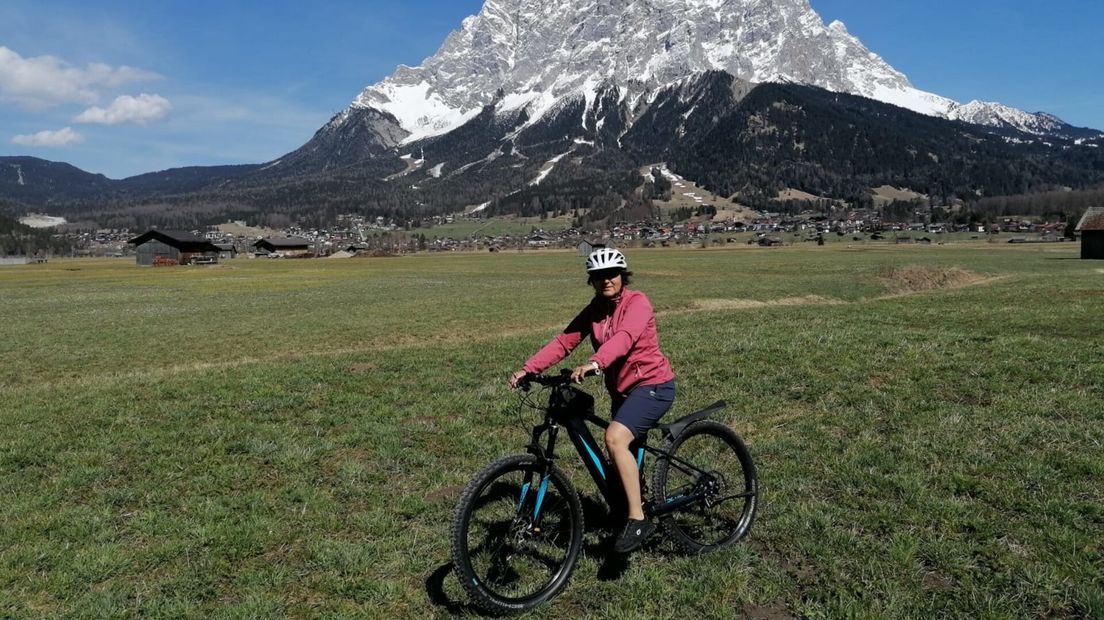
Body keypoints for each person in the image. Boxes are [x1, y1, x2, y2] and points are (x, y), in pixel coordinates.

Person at [509, 248, 676, 554]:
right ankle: (629, 505)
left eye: (611, 274)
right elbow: (564, 341)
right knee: (620, 456)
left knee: (614, 438)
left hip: (653, 386)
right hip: (622, 393)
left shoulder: (637, 302)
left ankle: (638, 519)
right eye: (598, 277)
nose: (605, 281)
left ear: (622, 276)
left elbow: (624, 338)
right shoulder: (595, 310)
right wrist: (528, 369)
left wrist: (595, 363)